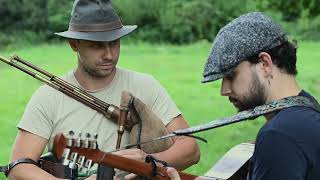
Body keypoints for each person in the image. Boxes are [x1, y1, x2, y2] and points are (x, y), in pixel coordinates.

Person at [7, 0, 199, 179]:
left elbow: (190, 147)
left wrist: (149, 163)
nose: (109, 55)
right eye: (97, 45)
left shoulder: (145, 85)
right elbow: (18, 168)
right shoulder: (48, 97)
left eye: (114, 43)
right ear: (74, 44)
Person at [167, 12, 320, 180]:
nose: (224, 90)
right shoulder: (309, 110)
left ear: (265, 64)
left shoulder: (278, 136)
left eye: (231, 76)